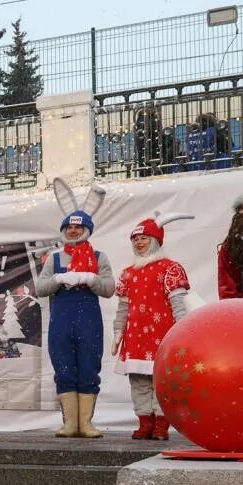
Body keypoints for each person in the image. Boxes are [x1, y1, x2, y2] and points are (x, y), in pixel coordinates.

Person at [36, 183, 116, 438]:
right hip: (61, 321)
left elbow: (109, 288)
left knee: (89, 367)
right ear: (64, 230)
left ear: (87, 230)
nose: (73, 230)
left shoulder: (100, 257)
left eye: (78, 227)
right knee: (64, 367)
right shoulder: (54, 259)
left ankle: (86, 423)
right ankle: (70, 423)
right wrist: (58, 280)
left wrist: (91, 279)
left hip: (89, 321)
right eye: (69, 227)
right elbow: (40, 288)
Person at [112, 216, 192, 440]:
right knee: (138, 381)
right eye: (135, 239)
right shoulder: (128, 273)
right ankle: (144, 422)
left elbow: (179, 305)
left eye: (144, 238)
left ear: (155, 241)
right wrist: (118, 333)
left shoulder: (170, 268)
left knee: (161, 382)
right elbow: (123, 309)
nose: (139, 243)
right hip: (136, 337)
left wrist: (182, 332)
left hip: (162, 335)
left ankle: (160, 425)